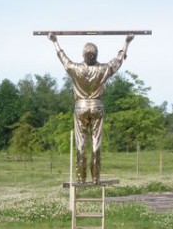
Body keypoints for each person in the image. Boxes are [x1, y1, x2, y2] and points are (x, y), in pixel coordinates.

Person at [48, 32, 134, 184]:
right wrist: (126, 42)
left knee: (80, 144)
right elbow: (118, 61)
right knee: (96, 143)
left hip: (80, 107)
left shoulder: (76, 69)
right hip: (96, 106)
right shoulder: (103, 69)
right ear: (96, 55)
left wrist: (55, 41)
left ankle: (81, 179)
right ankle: (95, 178)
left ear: (83, 55)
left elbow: (63, 60)